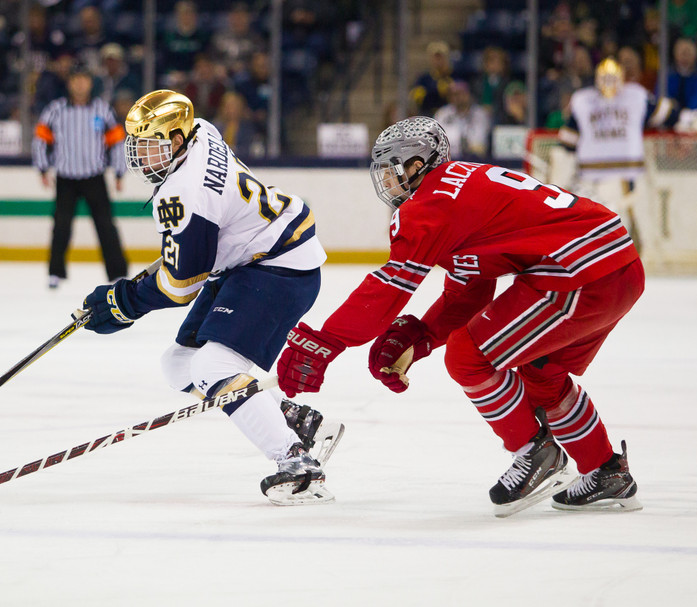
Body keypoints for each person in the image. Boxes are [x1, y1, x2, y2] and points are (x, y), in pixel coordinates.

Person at [276, 116, 645, 517]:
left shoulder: (429, 203)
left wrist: (325, 342)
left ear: (417, 164)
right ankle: (606, 471)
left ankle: (534, 452)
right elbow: (470, 291)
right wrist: (421, 337)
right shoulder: (461, 184)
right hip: (616, 265)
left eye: (392, 169)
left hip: (577, 273)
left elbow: (389, 285)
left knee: (468, 355)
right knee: (542, 373)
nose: (387, 181)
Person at [75, 90, 343, 505]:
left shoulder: (182, 193)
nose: (141, 156)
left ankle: (297, 464)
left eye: (150, 146)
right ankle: (295, 420)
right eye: (137, 145)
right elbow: (199, 244)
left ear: (177, 140)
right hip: (251, 258)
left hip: (278, 265)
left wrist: (123, 302)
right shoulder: (201, 130)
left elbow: (181, 286)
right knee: (179, 364)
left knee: (213, 366)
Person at [558, 57, 677, 244]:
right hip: (619, 176)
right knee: (622, 227)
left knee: (601, 229)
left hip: (602, 177)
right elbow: (668, 114)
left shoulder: (584, 99)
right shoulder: (635, 95)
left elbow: (567, 142)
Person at [32, 70, 128, 288]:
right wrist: (43, 168)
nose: (80, 85)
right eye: (76, 80)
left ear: (90, 83)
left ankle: (118, 272)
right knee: (61, 226)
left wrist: (119, 172)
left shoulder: (102, 109)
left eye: (84, 80)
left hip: (95, 177)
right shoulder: (55, 110)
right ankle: (55, 272)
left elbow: (117, 141)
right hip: (66, 178)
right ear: (69, 83)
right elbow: (41, 139)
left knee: (106, 226)